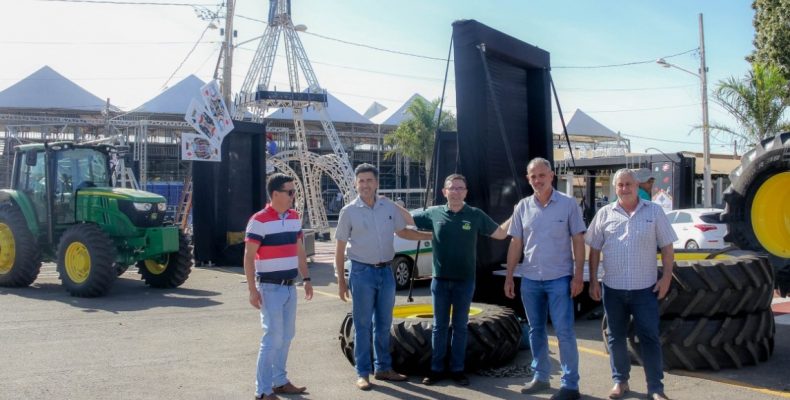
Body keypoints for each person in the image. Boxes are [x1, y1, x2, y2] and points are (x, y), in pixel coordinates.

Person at [412, 173, 511, 387]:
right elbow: (407, 220)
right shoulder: (433, 213)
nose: (456, 192)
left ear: (466, 192)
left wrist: (519, 211)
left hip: (465, 281)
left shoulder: (475, 215)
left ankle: (457, 369)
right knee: (439, 326)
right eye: (452, 188)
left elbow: (501, 234)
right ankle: (436, 369)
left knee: (460, 326)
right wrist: (386, 206)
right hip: (439, 281)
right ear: (444, 192)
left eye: (460, 188)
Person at [585, 168, 676, 400]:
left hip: (645, 289)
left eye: (628, 184)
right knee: (615, 337)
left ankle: (656, 388)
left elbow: (667, 247)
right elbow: (594, 249)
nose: (624, 188)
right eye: (620, 185)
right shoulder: (604, 214)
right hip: (612, 288)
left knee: (649, 337)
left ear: (637, 186)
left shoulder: (654, 212)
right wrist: (593, 280)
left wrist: (666, 277)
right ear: (615, 188)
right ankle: (620, 381)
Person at [334, 163, 426, 391]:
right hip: (361, 273)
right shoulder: (349, 212)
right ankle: (363, 373)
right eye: (361, 181)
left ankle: (384, 368)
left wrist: (432, 236)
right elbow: (339, 247)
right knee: (363, 325)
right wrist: (341, 282)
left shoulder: (387, 207)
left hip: (386, 272)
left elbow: (404, 230)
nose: (365, 185)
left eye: (369, 180)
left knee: (384, 324)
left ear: (376, 183)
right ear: (356, 184)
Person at [504, 158, 586, 400]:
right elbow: (516, 242)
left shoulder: (568, 204)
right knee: (536, 331)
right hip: (530, 280)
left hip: (559, 278)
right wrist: (510, 276)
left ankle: (570, 384)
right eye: (533, 177)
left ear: (552, 175)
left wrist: (578, 276)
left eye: (542, 175)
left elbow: (578, 241)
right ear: (528, 179)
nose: (538, 180)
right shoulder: (522, 207)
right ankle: (540, 377)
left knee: (564, 332)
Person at [244, 173, 314, 400]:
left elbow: (300, 250)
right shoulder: (258, 220)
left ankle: (280, 381)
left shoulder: (294, 217)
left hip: (289, 287)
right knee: (272, 338)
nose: (294, 196)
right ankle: (262, 391)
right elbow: (248, 256)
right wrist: (252, 290)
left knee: (286, 336)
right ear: (275, 194)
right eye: (290, 192)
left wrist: (306, 279)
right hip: (269, 288)